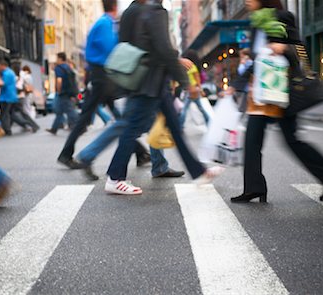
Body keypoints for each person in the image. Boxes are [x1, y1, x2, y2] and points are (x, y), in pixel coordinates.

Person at [227, 0, 323, 203]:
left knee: (292, 141)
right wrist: (236, 84)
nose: (246, 1)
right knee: (252, 140)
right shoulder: (255, 24)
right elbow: (258, 61)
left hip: (282, 93)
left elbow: (301, 52)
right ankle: (254, 188)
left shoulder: (282, 17)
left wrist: (285, 48)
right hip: (261, 94)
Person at [104, 0, 223, 195]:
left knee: (175, 127)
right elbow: (164, 50)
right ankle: (115, 177)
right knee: (132, 128)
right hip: (151, 82)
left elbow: (126, 44)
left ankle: (198, 172)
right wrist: (186, 83)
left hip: (145, 80)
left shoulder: (129, 13)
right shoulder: (157, 11)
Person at [56, 0, 151, 167]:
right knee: (90, 117)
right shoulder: (105, 24)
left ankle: (141, 153)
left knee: (121, 118)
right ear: (114, 6)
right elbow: (112, 51)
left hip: (101, 75)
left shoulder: (102, 23)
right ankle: (67, 154)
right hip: (103, 77)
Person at [0, 58, 39, 135]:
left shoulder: (6, 73)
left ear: (2, 66)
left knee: (6, 115)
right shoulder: (11, 72)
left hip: (6, 97)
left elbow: (2, 84)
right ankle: (32, 125)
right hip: (13, 96)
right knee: (16, 114)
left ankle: (7, 130)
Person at [46, 52, 79, 135]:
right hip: (69, 91)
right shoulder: (68, 67)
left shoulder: (59, 68)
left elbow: (59, 80)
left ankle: (79, 126)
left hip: (63, 92)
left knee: (69, 110)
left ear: (60, 59)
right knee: (59, 110)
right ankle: (54, 128)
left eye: (57, 58)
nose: (56, 60)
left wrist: (59, 90)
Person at [179, 49, 210, 127]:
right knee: (201, 109)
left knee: (184, 110)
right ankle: (209, 122)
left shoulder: (190, 67)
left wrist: (200, 90)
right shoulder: (192, 67)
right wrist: (200, 90)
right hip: (192, 91)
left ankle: (179, 126)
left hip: (191, 91)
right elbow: (197, 80)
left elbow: (197, 80)